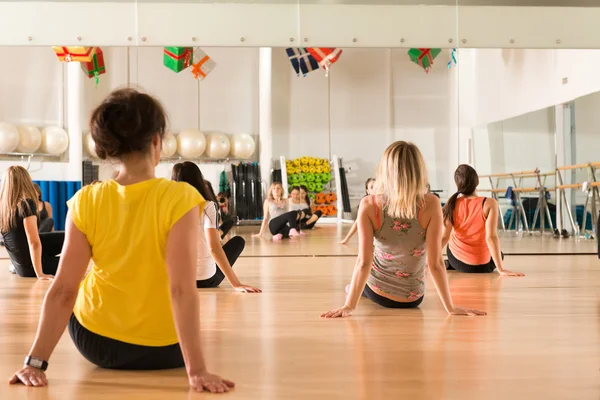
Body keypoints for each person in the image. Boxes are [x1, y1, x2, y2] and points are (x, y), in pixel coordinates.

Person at [9, 88, 234, 393]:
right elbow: (182, 290)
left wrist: (34, 363)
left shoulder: (86, 199)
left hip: (98, 344)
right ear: (157, 141)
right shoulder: (181, 198)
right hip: (167, 350)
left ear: (107, 147)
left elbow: (63, 290)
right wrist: (197, 371)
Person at [321, 141, 486, 318]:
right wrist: (450, 308)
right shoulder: (431, 203)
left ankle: (354, 290)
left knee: (360, 279)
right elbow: (436, 263)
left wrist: (349, 306)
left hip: (378, 292)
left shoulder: (369, 204)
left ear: (385, 170)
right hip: (413, 297)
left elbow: (363, 262)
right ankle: (358, 289)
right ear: (419, 170)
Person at [172, 161, 261, 293]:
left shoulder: (168, 206)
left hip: (177, 280)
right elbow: (213, 248)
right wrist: (236, 284)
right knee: (238, 242)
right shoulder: (208, 206)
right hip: (206, 280)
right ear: (199, 179)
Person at [441, 164, 524, 276]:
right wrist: (500, 269)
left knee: (451, 239)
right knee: (500, 255)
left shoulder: (451, 204)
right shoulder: (489, 203)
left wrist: (428, 261)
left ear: (457, 184)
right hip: (483, 266)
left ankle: (450, 264)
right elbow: (491, 237)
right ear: (477, 181)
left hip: (458, 262)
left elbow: (444, 237)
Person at [0, 166, 64, 279]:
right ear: (26, 181)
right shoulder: (26, 204)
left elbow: (9, 242)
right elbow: (33, 242)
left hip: (20, 266)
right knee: (75, 260)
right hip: (31, 267)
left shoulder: (3, 207)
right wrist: (40, 274)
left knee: (68, 237)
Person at [339, 178, 376, 245]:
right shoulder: (364, 203)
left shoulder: (385, 201)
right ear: (368, 191)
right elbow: (357, 221)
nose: (375, 189)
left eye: (377, 187)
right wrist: (346, 238)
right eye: (372, 187)